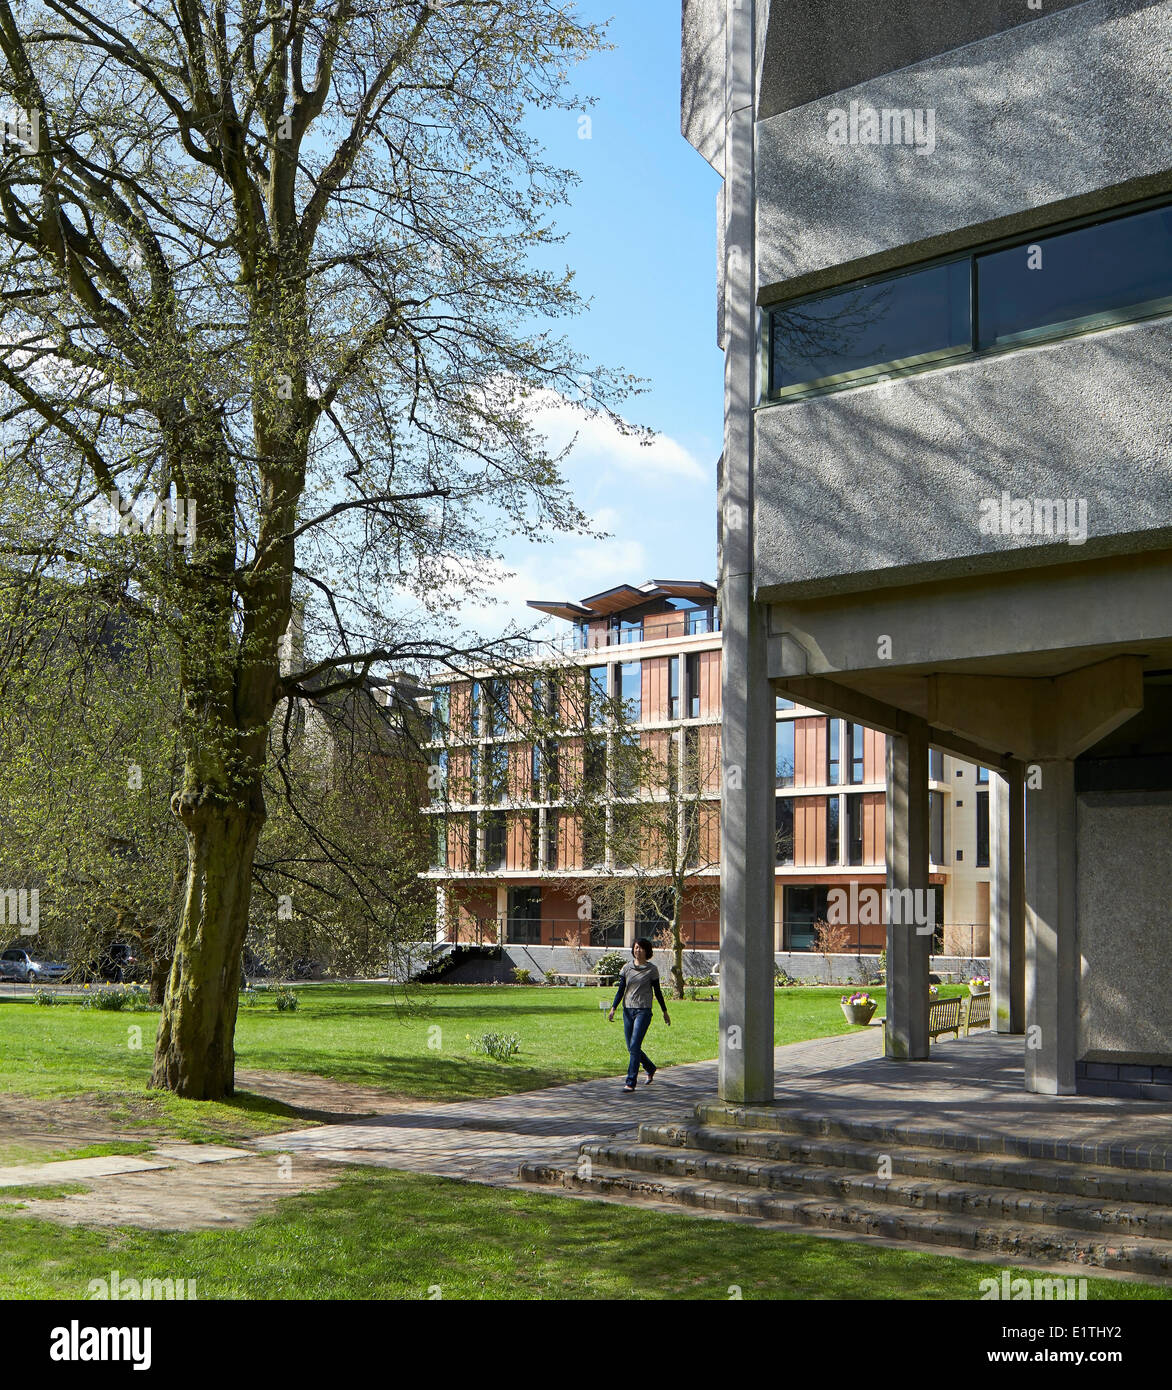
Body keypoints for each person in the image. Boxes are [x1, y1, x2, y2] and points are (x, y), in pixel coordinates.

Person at [607, 937, 670, 1092]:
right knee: (631, 1047)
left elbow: (658, 992)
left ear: (647, 951)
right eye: (635, 947)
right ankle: (650, 1067)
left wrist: (664, 1011)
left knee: (635, 1045)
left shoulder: (652, 969)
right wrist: (613, 1008)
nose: (638, 950)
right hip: (628, 1010)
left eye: (641, 948)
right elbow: (621, 990)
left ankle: (630, 1082)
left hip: (643, 1010)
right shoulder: (626, 968)